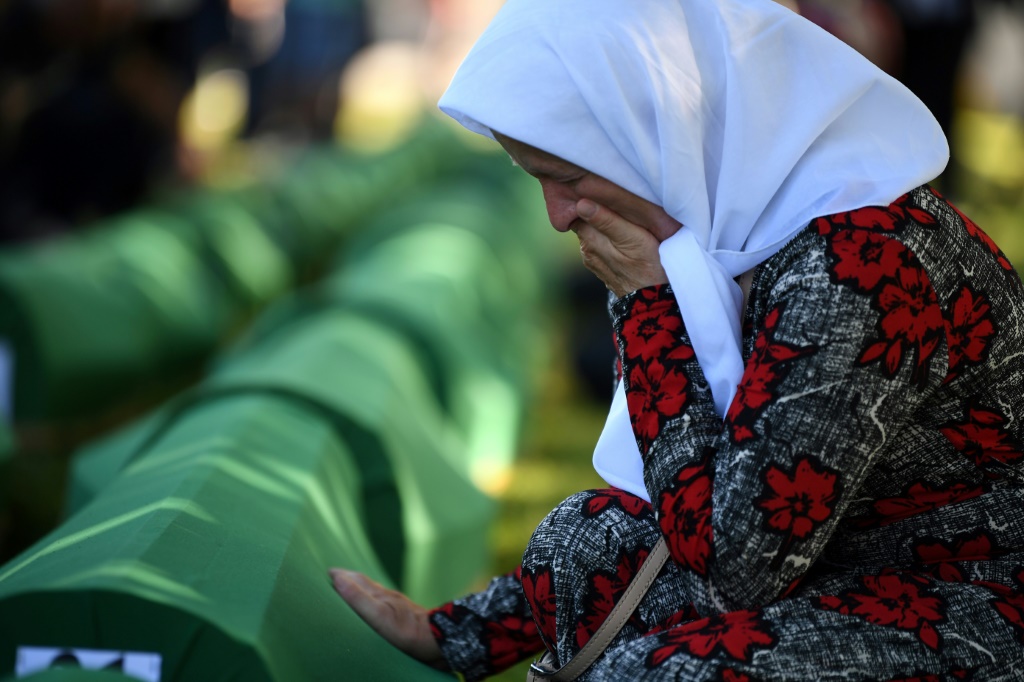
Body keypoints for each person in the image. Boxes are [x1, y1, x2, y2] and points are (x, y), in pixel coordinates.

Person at [330, 0, 1024, 678]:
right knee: (585, 539)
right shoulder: (743, 228)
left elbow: (738, 563)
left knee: (656, 674)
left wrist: (649, 308)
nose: (557, 215)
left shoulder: (857, 265)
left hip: (976, 597)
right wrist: (460, 635)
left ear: (655, 132)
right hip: (850, 559)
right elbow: (685, 499)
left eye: (567, 178)